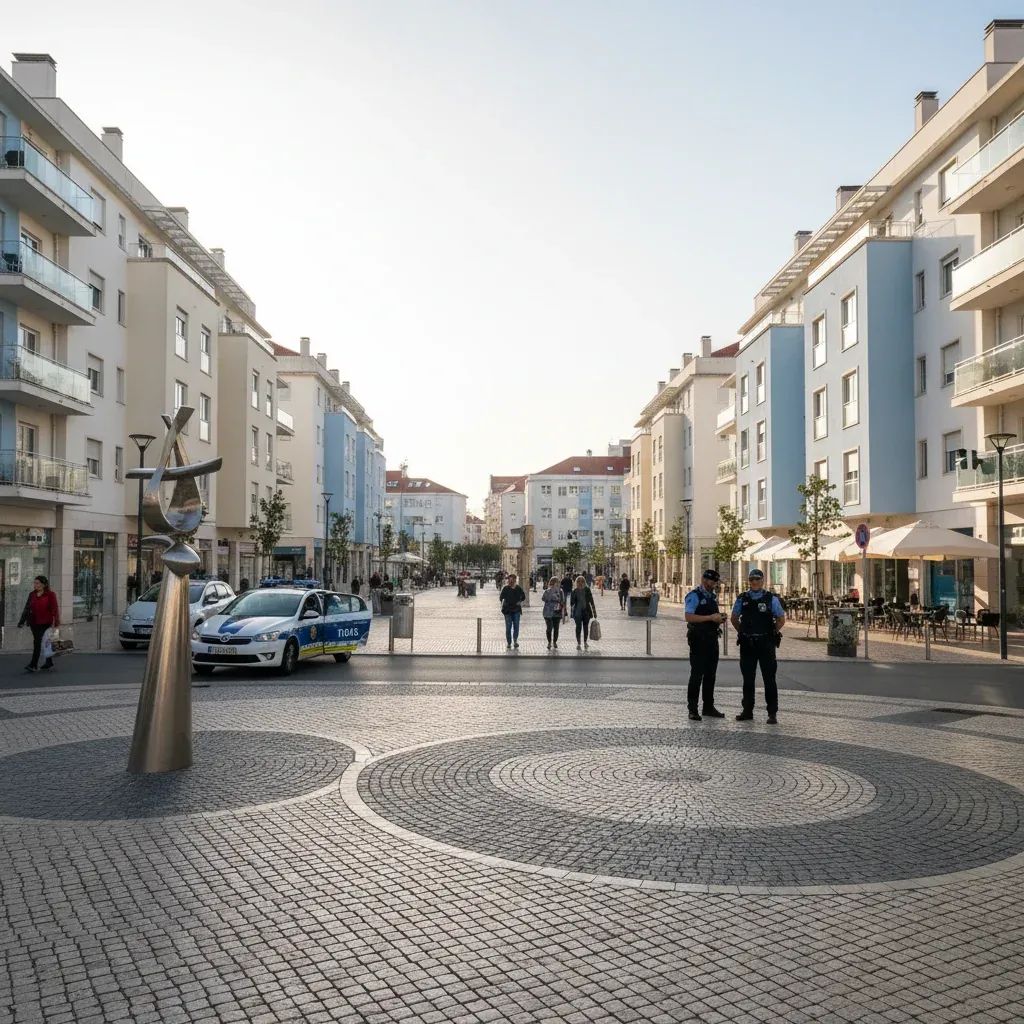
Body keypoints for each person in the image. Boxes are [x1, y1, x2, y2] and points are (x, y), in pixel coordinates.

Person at [731, 568, 786, 724]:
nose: (754, 582)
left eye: (757, 579)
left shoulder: (771, 599)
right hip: (748, 644)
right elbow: (734, 618)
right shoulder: (742, 598)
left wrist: (772, 632)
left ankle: (772, 713)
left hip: (765, 644)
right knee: (748, 679)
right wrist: (742, 631)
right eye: (752, 579)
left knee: (769, 679)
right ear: (749, 581)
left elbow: (781, 619)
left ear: (763, 581)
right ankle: (747, 710)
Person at [684, 569, 728, 721]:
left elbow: (711, 617)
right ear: (704, 580)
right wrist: (711, 617)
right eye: (711, 581)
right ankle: (693, 709)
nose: (713, 584)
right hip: (698, 639)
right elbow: (688, 616)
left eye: (715, 582)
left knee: (711, 675)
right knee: (697, 675)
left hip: (711, 639)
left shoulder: (711, 597)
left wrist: (719, 618)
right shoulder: (694, 596)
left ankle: (708, 706)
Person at [18, 575, 60, 673]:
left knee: (40, 642)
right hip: (34, 622)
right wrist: (21, 621)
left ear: (43, 584)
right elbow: (27, 608)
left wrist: (56, 622)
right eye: (34, 583)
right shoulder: (32, 594)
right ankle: (48, 662)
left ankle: (33, 664)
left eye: (37, 583)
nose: (35, 585)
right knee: (42, 642)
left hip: (46, 622)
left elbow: (55, 609)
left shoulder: (50, 594)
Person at [499, 573, 526, 650]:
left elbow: (523, 596)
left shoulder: (518, 588)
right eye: (509, 580)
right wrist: (504, 602)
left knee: (516, 626)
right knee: (508, 627)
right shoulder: (505, 588)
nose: (510, 581)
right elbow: (501, 598)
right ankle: (509, 642)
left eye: (512, 580)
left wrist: (519, 601)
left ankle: (515, 641)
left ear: (514, 580)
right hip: (507, 611)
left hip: (516, 610)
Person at [570, 575, 597, 650]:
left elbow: (591, 601)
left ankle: (585, 642)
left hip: (586, 612)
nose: (580, 583)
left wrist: (594, 612)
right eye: (579, 581)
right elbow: (571, 603)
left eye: (582, 581)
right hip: (577, 613)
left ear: (584, 582)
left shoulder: (587, 590)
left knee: (585, 628)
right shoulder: (574, 591)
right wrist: (572, 613)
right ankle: (578, 643)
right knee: (578, 628)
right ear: (576, 582)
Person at [541, 577, 565, 649]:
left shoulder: (560, 591)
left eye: (556, 582)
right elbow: (543, 598)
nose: (554, 584)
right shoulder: (547, 591)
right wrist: (551, 593)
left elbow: (562, 601)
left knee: (556, 628)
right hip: (547, 612)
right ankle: (549, 642)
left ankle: (554, 642)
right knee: (549, 628)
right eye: (552, 582)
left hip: (557, 612)